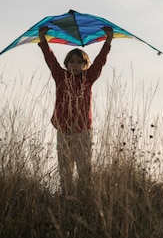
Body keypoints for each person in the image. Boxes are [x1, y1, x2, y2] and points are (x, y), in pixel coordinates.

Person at [38, 25, 113, 197]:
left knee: (84, 168)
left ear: (85, 65)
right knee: (65, 169)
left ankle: (84, 198)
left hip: (83, 131)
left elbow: (101, 60)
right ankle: (67, 197)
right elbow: (50, 59)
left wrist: (108, 40)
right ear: (66, 64)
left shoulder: (89, 78)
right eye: (72, 62)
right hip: (63, 130)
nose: (75, 65)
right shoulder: (60, 76)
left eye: (80, 62)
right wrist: (43, 39)